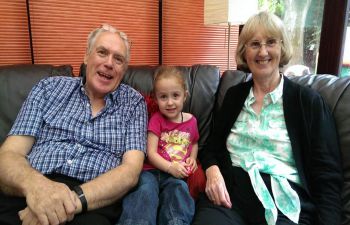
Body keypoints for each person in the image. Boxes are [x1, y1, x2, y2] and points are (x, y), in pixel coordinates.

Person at [192, 11, 342, 225]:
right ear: (245, 52)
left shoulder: (308, 103)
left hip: (285, 203)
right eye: (254, 44)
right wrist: (213, 170)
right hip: (229, 197)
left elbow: (327, 175)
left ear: (282, 47)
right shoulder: (234, 96)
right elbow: (211, 148)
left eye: (270, 42)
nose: (263, 52)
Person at [0, 24, 147, 225]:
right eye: (102, 52)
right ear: (86, 57)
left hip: (90, 202)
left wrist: (64, 204)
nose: (109, 63)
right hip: (28, 190)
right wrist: (37, 189)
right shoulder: (48, 88)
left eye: (118, 59)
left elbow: (131, 171)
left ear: (124, 69)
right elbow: (8, 155)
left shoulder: (134, 103)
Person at [117, 66, 199, 225]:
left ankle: (176, 221)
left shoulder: (192, 121)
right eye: (163, 97)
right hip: (151, 172)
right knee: (145, 190)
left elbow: (194, 142)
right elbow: (151, 153)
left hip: (175, 175)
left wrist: (193, 159)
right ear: (155, 98)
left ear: (185, 96)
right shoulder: (156, 119)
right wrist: (170, 167)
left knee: (179, 191)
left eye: (175, 95)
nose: (170, 102)